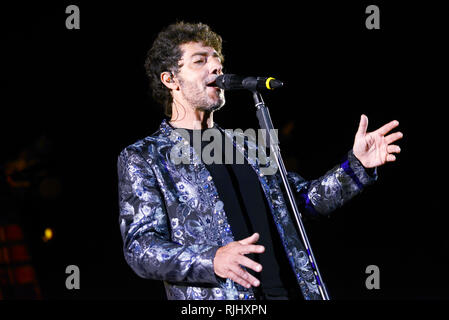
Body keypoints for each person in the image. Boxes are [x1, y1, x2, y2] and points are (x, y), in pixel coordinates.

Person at [117, 22, 403, 300]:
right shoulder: (146, 156)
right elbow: (141, 247)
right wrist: (211, 259)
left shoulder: (248, 146)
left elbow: (300, 202)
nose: (216, 67)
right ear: (170, 79)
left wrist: (357, 165)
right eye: (200, 61)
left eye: (217, 60)